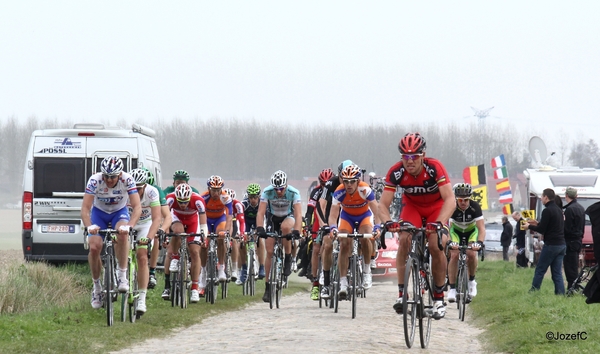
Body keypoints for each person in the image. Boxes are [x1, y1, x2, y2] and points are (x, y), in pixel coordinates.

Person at [378, 133, 454, 319]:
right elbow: (382, 205)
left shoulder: (434, 167)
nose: (409, 161)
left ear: (423, 155)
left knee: (436, 244)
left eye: (414, 157)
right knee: (404, 238)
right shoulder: (396, 172)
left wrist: (440, 224)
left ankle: (438, 297)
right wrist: (388, 222)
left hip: (436, 208)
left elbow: (450, 199)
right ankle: (402, 293)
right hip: (412, 207)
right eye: (405, 157)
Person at [81, 156, 142, 309]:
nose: (109, 180)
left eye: (113, 176)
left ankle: (122, 274)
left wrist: (130, 226)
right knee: (94, 247)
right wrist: (89, 226)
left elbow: (137, 207)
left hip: (119, 213)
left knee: (122, 234)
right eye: (106, 176)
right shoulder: (95, 180)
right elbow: (85, 208)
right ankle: (97, 288)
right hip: (99, 213)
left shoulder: (128, 180)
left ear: (119, 175)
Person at [328, 164, 381, 299]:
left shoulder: (365, 189)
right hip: (347, 217)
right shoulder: (339, 192)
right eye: (346, 181)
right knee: (344, 242)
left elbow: (376, 210)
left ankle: (367, 271)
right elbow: (333, 215)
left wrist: (378, 227)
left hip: (364, 216)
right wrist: (333, 228)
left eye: (352, 181)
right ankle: (343, 282)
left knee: (366, 237)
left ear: (358, 181)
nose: (349, 185)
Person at [256, 170, 303, 303]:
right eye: (276, 189)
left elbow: (299, 214)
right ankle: (267, 287)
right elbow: (260, 213)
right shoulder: (267, 192)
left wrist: (297, 231)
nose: (278, 191)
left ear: (286, 185)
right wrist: (260, 227)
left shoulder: (294, 192)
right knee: (269, 251)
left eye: (281, 188)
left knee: (286, 228)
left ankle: (288, 257)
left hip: (289, 217)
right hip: (273, 218)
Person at [127, 169, 164, 314]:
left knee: (142, 256)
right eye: (134, 188)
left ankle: (142, 298)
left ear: (145, 186)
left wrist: (148, 238)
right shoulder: (125, 190)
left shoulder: (152, 192)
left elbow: (156, 219)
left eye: (139, 188)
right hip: (129, 222)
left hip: (145, 224)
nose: (136, 191)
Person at [163, 183, 208, 303]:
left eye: (185, 202)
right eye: (180, 202)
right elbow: (165, 219)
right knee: (178, 231)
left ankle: (194, 288)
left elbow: (203, 223)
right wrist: (165, 235)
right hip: (176, 219)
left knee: (194, 252)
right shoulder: (170, 199)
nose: (183, 205)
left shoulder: (198, 200)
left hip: (193, 221)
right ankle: (175, 257)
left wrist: (204, 237)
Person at [318, 160, 353, 300]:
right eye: (343, 179)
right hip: (330, 214)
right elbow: (321, 204)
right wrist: (324, 224)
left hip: (346, 215)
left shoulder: (355, 184)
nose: (346, 182)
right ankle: (326, 282)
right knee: (327, 244)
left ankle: (349, 271)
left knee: (348, 241)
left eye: (349, 180)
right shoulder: (331, 183)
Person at [523, 188, 566, 294]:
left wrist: (529, 226)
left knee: (540, 269)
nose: (541, 199)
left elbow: (542, 230)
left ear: (546, 197)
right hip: (561, 244)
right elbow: (550, 226)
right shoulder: (558, 210)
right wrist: (537, 223)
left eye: (542, 197)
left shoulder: (547, 210)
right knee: (557, 273)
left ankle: (534, 291)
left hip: (551, 245)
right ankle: (560, 293)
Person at [447, 183, 485, 302]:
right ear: (456, 199)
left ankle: (472, 281)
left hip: (471, 232)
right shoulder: (452, 207)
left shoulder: (475, 207)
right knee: (454, 254)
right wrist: (449, 242)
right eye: (460, 200)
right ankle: (452, 288)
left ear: (470, 198)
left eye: (466, 200)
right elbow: (447, 228)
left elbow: (481, 228)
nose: (463, 202)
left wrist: (479, 242)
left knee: (472, 254)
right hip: (456, 232)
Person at [198, 176, 234, 294]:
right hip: (207, 221)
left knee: (221, 236)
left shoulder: (225, 197)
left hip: (220, 219)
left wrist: (227, 231)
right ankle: (203, 272)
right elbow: (198, 215)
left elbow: (229, 217)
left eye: (218, 190)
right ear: (209, 189)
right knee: (204, 244)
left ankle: (221, 268)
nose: (216, 193)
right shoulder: (203, 197)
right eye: (213, 190)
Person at [142, 167, 172, 290]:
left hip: (151, 219)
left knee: (155, 237)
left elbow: (166, 216)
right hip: (136, 219)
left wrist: (163, 230)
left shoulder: (156, 191)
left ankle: (152, 271)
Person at [305, 168, 332, 300]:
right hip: (319, 220)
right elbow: (310, 210)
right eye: (322, 183)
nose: (325, 185)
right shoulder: (316, 191)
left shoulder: (337, 188)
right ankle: (315, 283)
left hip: (333, 218)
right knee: (316, 248)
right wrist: (308, 224)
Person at [242, 183, 266, 280]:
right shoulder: (244, 204)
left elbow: (266, 218)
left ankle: (262, 266)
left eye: (255, 197)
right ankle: (243, 267)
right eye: (251, 197)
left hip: (258, 223)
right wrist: (242, 232)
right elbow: (240, 218)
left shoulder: (263, 204)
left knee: (260, 240)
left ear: (259, 197)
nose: (253, 200)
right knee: (242, 242)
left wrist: (260, 230)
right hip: (247, 223)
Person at [563, 187, 585, 289]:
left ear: (566, 195)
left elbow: (567, 228)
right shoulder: (581, 208)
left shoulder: (569, 209)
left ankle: (572, 289)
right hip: (578, 241)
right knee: (574, 266)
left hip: (570, 241)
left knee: (569, 267)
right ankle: (574, 287)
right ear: (576, 196)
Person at [223, 188, 246, 284]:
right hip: (222, 223)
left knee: (234, 240)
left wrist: (241, 233)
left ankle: (234, 269)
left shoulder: (237, 204)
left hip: (233, 223)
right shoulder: (220, 203)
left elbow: (241, 221)